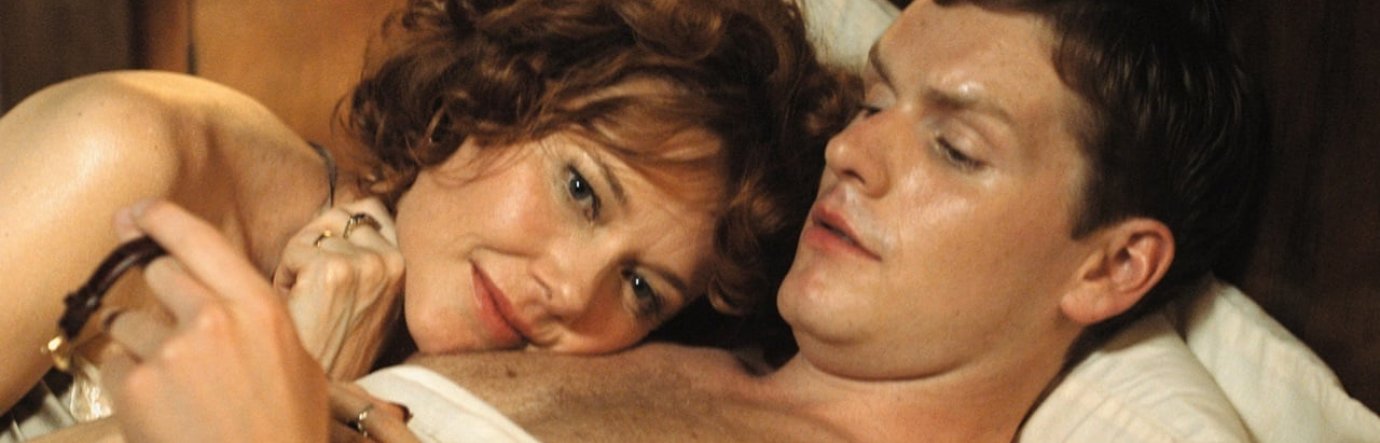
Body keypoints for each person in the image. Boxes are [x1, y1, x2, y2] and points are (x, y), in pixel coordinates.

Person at [90, 0, 1267, 441]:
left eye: (955, 148)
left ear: (1113, 265)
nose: (853, 154)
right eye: (875, 103)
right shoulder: (670, 330)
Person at [0, 0, 855, 436]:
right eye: (582, 190)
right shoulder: (136, 154)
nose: (570, 289)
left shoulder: (450, 396)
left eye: (639, 286)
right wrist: (287, 384)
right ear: (487, 95)